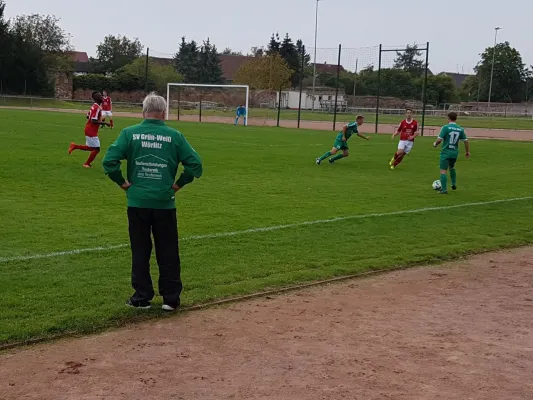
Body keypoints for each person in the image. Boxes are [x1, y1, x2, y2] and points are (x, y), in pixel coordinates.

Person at [102, 93, 203, 311]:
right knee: (168, 250)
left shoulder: (129, 133)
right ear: (164, 113)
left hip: (137, 201)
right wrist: (178, 184)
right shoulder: (174, 136)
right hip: (164, 202)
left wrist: (122, 183)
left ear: (143, 111)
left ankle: (142, 296)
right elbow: (196, 165)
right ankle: (170, 298)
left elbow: (109, 161)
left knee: (140, 250)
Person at [68, 91, 110, 168]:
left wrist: (100, 121)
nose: (102, 97)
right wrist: (104, 123)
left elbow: (88, 116)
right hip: (91, 130)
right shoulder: (97, 107)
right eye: (100, 96)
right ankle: (86, 164)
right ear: (95, 98)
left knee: (91, 147)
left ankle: (74, 146)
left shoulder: (94, 106)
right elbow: (93, 120)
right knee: (97, 149)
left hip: (89, 129)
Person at [433, 112, 470, 194]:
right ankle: (453, 184)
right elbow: (466, 141)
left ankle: (444, 190)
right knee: (452, 167)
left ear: (448, 118)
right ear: (456, 118)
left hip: (446, 152)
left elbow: (439, 140)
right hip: (454, 153)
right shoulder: (460, 129)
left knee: (443, 170)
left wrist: (435, 144)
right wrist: (467, 152)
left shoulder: (445, 127)